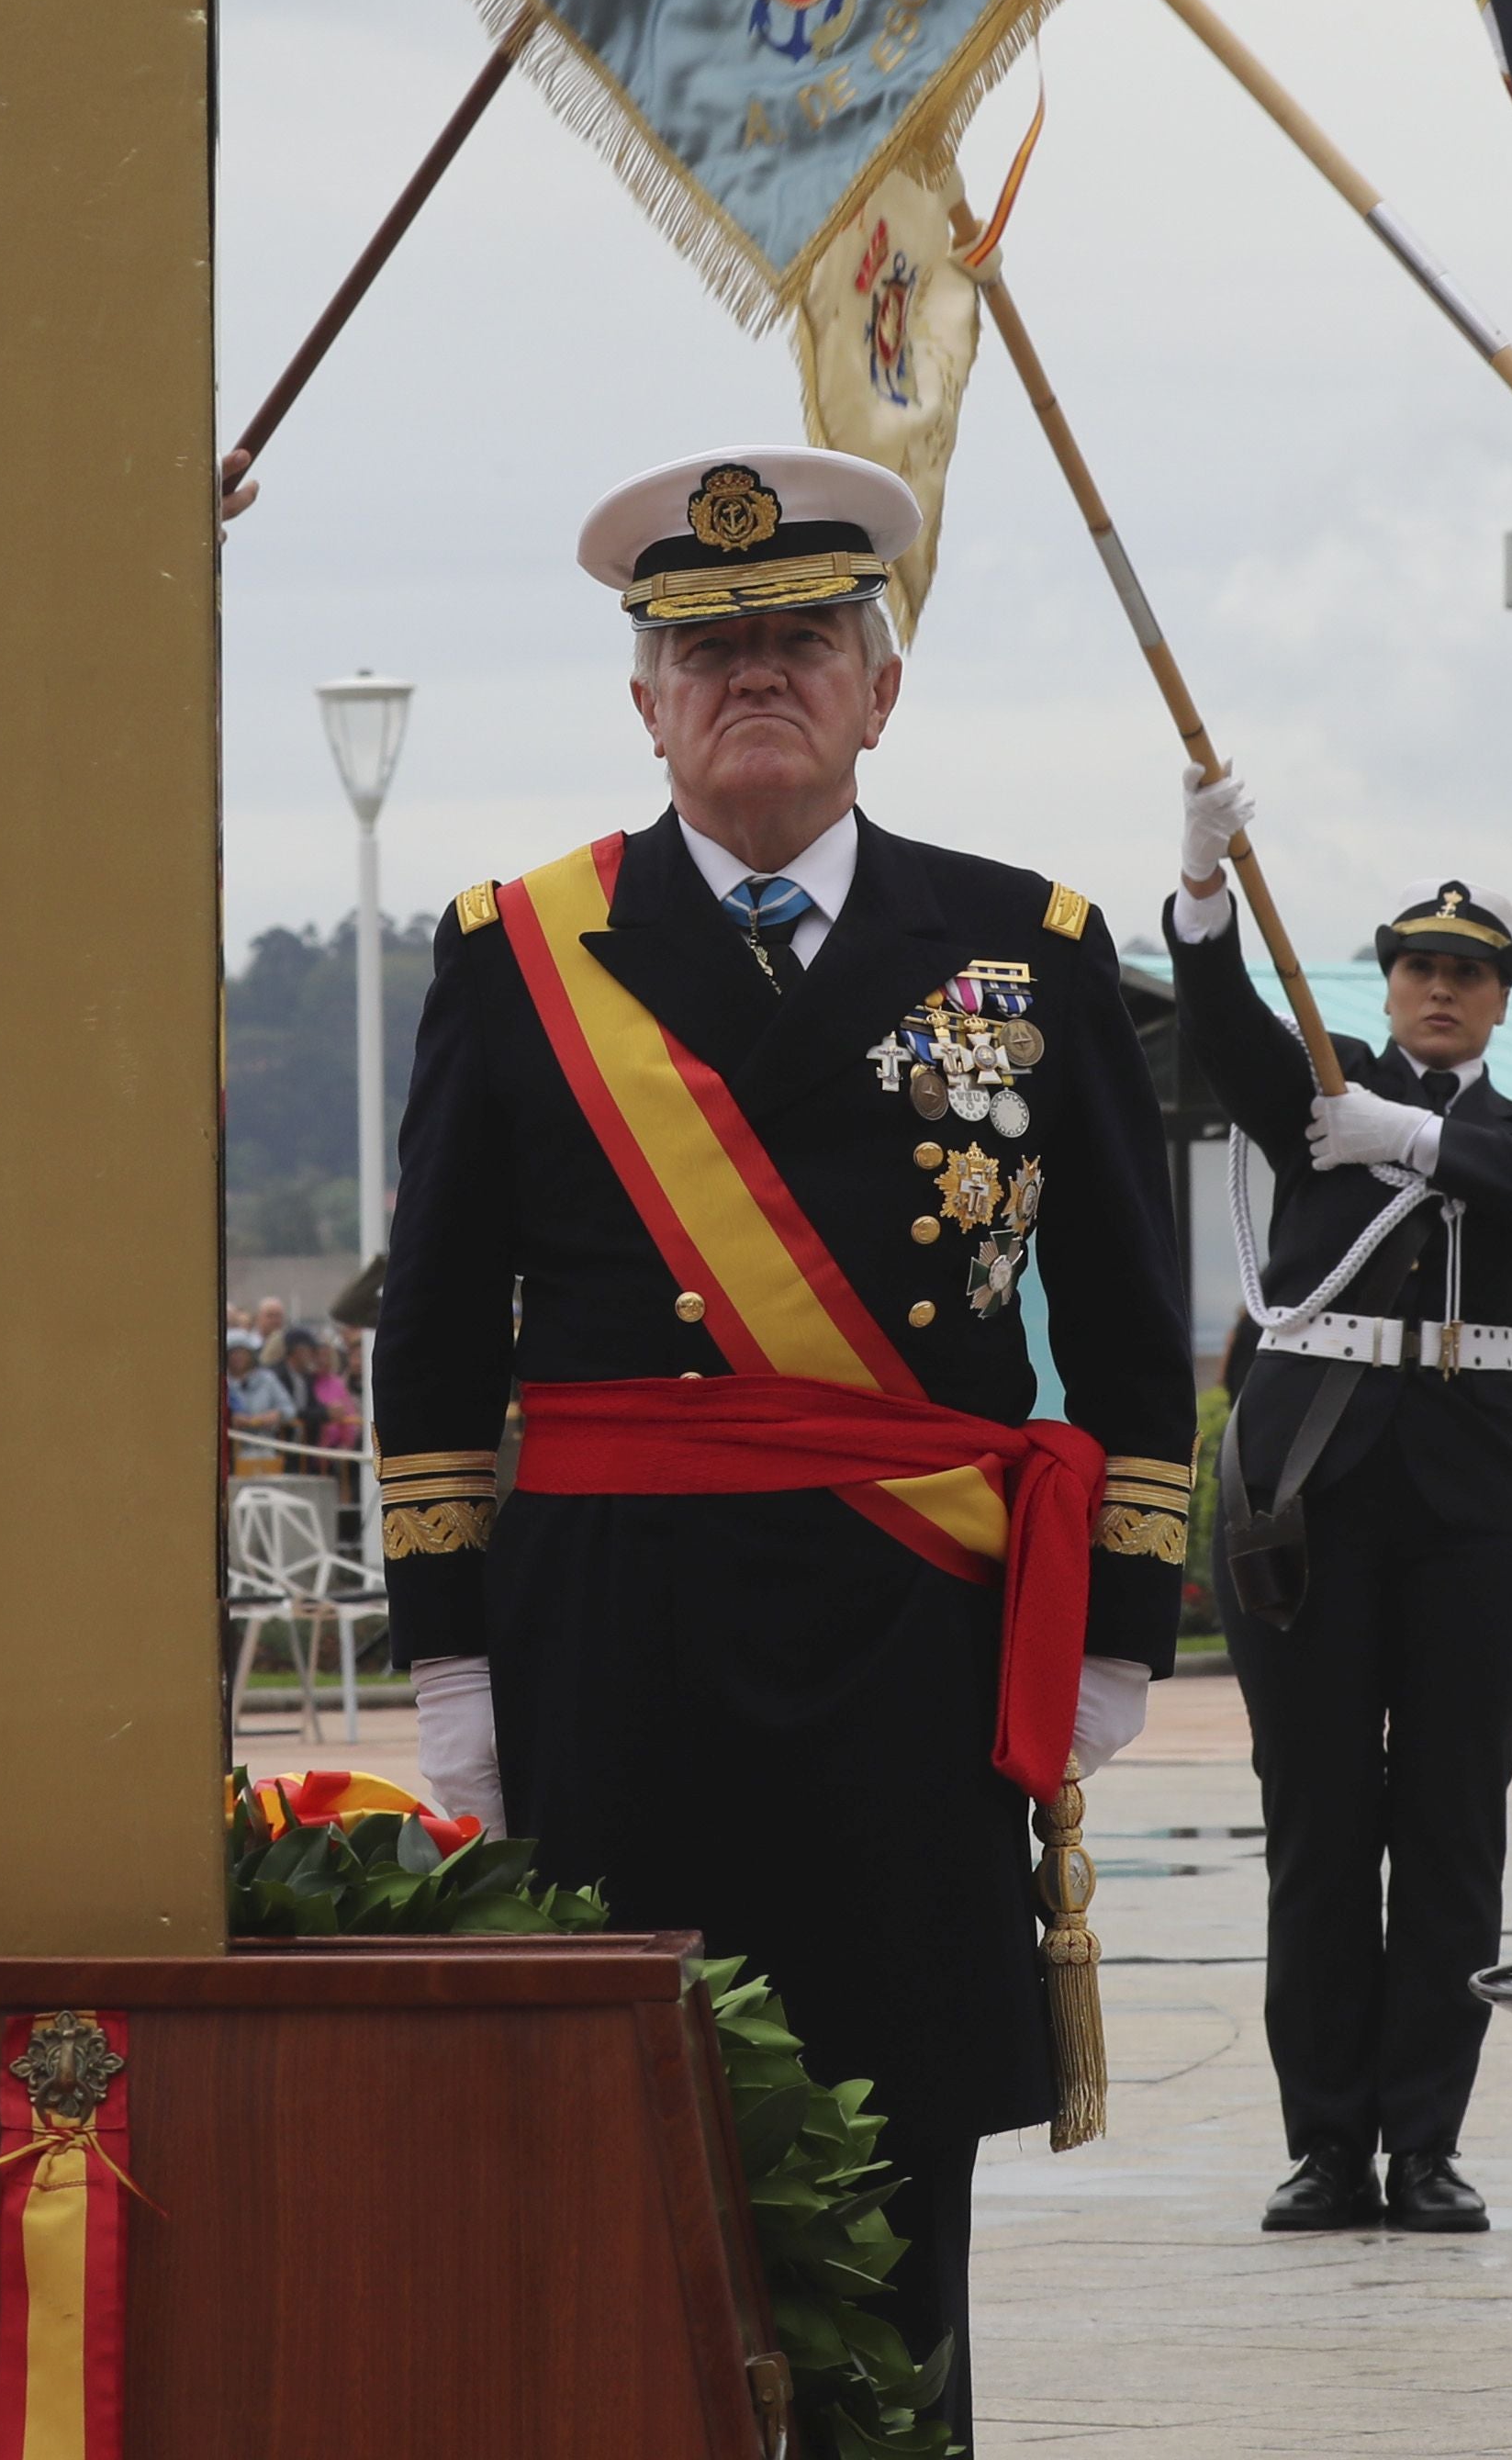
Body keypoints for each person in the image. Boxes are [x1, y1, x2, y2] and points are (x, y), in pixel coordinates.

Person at [375, 448, 1189, 2430]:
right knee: (620, 2120)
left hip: (910, 1637)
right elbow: (434, 1327)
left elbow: (1135, 1323)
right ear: (641, 703)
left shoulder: (1031, 948)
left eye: (803, 642)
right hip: (612, 1642)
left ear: (880, 692)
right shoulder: (519, 952)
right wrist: (455, 1652)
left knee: (901, 2125)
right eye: (708, 647)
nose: (759, 676)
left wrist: (1120, 1633)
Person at [1173, 825, 1512, 2240]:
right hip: (1308, 1484)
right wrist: (1199, 894)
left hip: (1476, 1502)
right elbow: (1228, 1028)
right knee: (1316, 1820)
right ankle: (1324, 2147)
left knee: (1448, 1824)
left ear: (1502, 999)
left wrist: (1417, 1139)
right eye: (1421, 968)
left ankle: (1427, 2143)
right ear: (1386, 984)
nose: (1441, 991)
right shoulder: (1321, 1091)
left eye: (1469, 975)